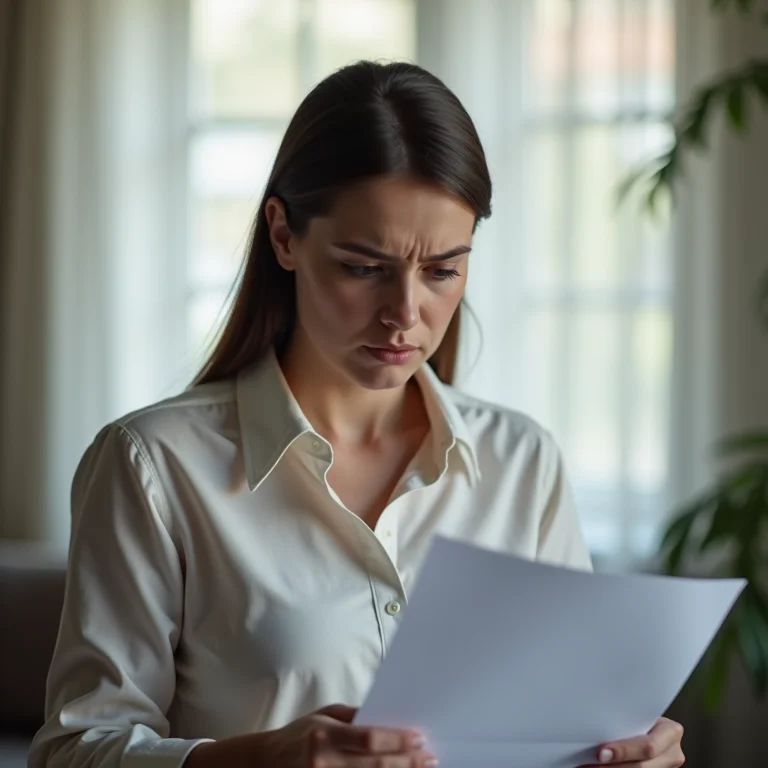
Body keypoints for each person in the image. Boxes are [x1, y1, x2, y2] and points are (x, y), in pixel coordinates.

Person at [28, 60, 685, 768]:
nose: (406, 313)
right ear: (283, 235)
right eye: (364, 267)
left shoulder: (522, 462)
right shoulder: (152, 466)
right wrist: (257, 759)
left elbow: (566, 723)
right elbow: (73, 750)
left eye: (442, 271)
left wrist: (624, 750)